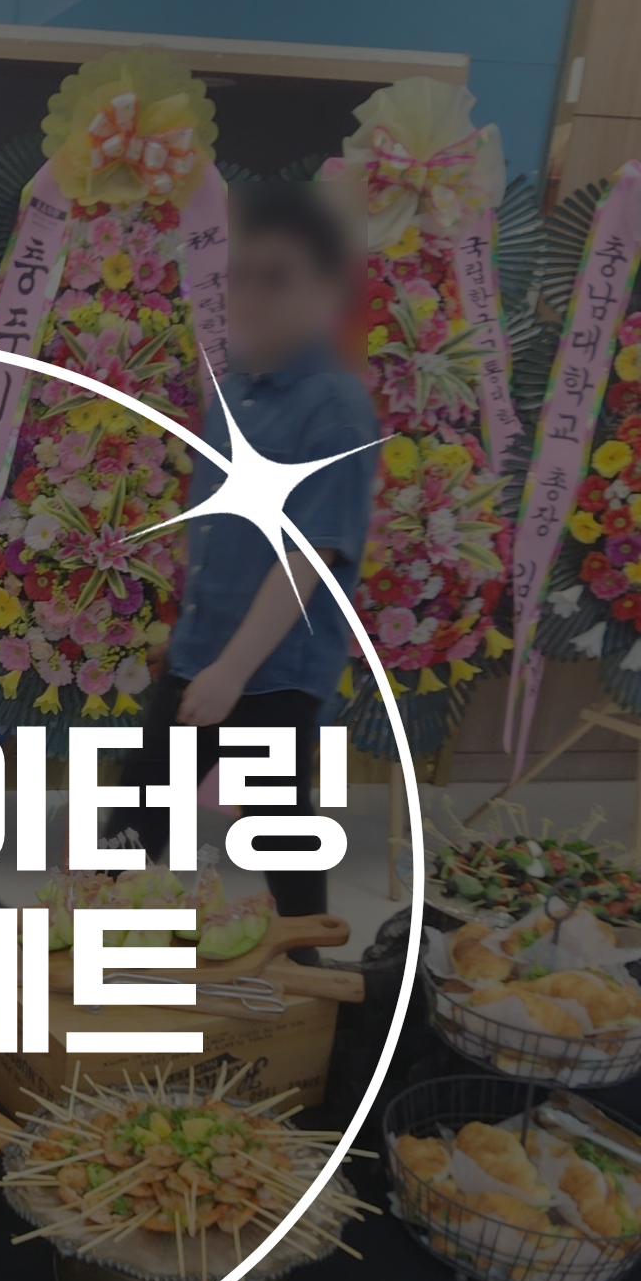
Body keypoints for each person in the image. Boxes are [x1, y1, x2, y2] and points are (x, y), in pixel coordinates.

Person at [112, 178, 377, 919]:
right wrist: (193, 642)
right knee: (138, 814)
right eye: (241, 276)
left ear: (325, 291)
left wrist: (232, 669)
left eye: (277, 278)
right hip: (202, 654)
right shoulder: (236, 389)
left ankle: (312, 966)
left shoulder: (335, 406)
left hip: (273, 672)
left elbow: (310, 556)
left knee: (278, 831)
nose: (251, 295)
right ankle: (85, 947)